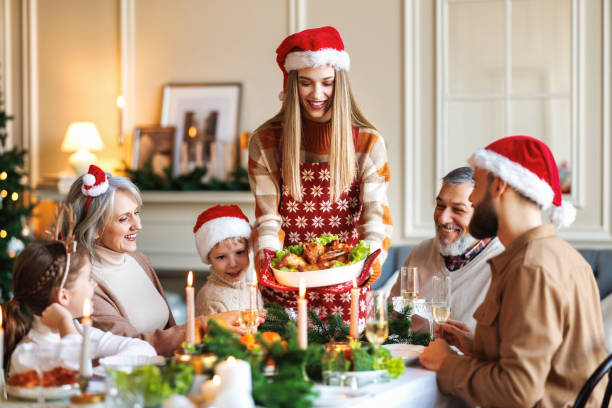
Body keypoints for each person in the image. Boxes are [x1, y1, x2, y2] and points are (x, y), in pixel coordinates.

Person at [419, 136, 607, 407]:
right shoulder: (561, 255)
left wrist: (448, 364)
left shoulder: (530, 268)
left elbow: (518, 390)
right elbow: (554, 361)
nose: (471, 197)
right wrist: (477, 346)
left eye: (478, 185)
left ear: (499, 185)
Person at [248, 26, 392, 322]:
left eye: (327, 83)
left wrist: (372, 259)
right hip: (287, 286)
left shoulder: (368, 143)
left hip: (347, 284)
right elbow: (267, 219)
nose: (317, 94)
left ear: (339, 83)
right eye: (306, 83)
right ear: (292, 84)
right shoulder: (265, 142)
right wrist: (271, 264)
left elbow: (375, 217)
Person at [65, 165, 242, 356]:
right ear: (95, 229)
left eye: (137, 213)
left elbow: (168, 329)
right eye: (124, 219)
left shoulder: (139, 260)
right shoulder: (86, 283)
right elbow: (131, 347)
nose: (138, 225)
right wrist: (204, 325)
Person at [5, 205, 155, 375]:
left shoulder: (78, 329)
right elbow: (79, 381)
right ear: (64, 296)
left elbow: (144, 350)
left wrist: (99, 372)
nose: (94, 284)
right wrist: (64, 325)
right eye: (88, 278)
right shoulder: (27, 354)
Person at [390, 167, 504, 330]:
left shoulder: (503, 262)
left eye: (458, 209)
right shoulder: (420, 252)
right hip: (410, 354)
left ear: (483, 215)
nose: (443, 219)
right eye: (440, 205)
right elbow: (391, 319)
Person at [193, 204, 263, 316]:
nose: (233, 264)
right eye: (221, 257)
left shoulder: (251, 287)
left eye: (239, 252)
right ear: (209, 259)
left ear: (248, 250)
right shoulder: (211, 299)